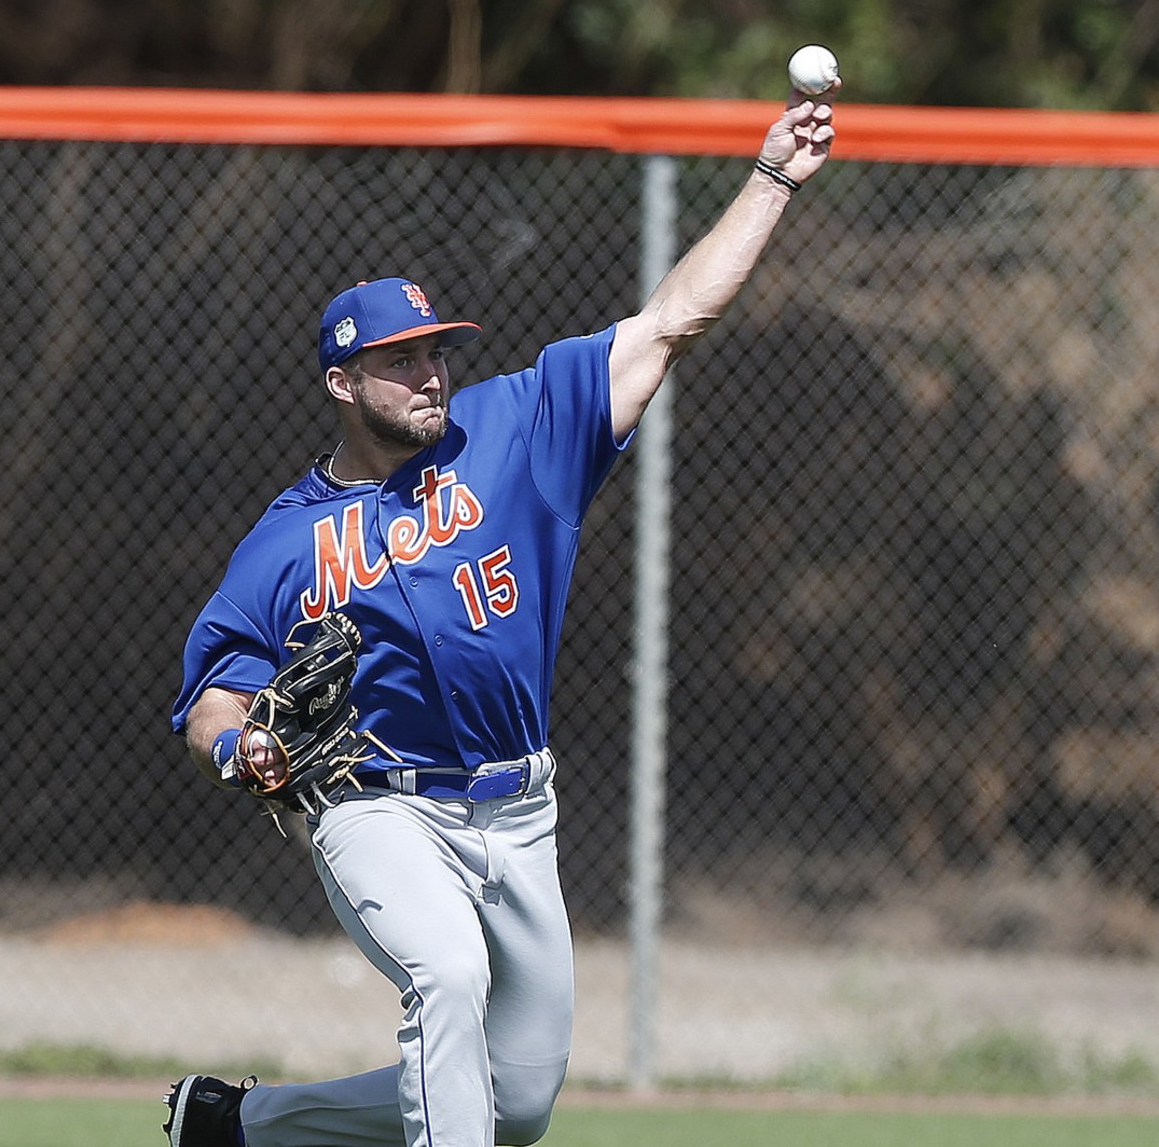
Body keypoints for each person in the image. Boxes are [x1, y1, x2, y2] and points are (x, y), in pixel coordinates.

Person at [166, 91, 836, 1147]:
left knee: (515, 1100)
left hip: (518, 808)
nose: (429, 373)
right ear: (342, 382)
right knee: (446, 973)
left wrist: (771, 181)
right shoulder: (286, 541)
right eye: (399, 359)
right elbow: (213, 692)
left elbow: (670, 321)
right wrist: (237, 744)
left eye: (436, 351)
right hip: (377, 805)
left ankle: (243, 1127)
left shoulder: (518, 428)